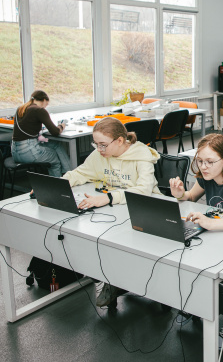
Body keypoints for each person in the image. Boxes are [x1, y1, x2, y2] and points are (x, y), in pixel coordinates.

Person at [63, 116, 161, 307]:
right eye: (96, 144)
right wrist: (58, 184)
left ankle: (114, 280)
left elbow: (144, 190)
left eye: (103, 145)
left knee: (117, 238)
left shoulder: (141, 156)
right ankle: (107, 274)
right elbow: (80, 173)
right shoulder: (100, 155)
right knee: (90, 230)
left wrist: (108, 198)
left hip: (144, 208)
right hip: (116, 209)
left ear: (120, 141)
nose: (99, 149)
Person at [11, 90, 70, 177]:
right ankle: (59, 182)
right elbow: (55, 132)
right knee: (54, 160)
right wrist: (62, 126)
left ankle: (70, 172)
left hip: (15, 152)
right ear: (44, 100)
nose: (46, 107)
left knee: (56, 145)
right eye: (47, 104)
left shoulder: (21, 108)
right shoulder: (39, 110)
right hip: (28, 152)